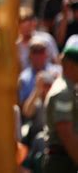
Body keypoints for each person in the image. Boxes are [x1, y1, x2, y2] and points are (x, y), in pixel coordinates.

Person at [42, 35, 78, 173]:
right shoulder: (63, 92)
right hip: (62, 162)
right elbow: (66, 132)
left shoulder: (68, 88)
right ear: (69, 65)